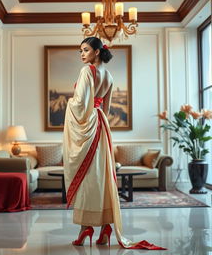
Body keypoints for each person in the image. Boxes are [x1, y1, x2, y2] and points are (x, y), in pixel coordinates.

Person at [63, 37, 166, 250]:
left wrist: (69, 103)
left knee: (88, 178)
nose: (82, 54)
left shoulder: (86, 72)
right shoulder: (109, 76)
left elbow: (80, 102)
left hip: (89, 124)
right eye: (80, 51)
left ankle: (85, 228)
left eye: (85, 50)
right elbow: (106, 109)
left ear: (97, 52)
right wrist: (96, 116)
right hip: (101, 125)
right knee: (101, 176)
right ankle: (105, 227)